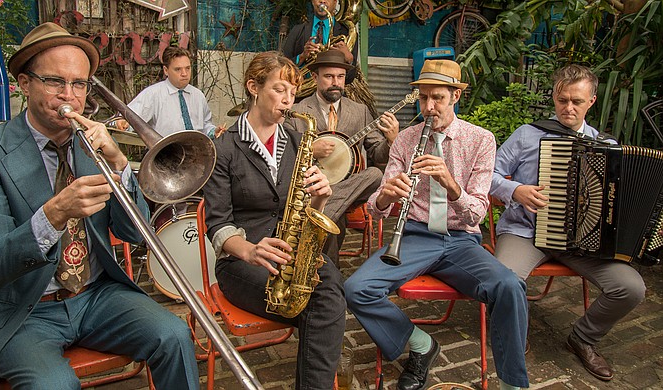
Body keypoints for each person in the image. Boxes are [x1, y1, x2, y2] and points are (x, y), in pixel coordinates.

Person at [0, 22, 199, 388]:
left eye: (79, 84)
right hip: (27, 311)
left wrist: (120, 165)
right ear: (25, 84)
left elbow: (135, 234)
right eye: (56, 82)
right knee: (54, 385)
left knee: (175, 335)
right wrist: (53, 215)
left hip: (96, 296)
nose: (69, 96)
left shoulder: (93, 144)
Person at [345, 59, 529, 390]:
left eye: (438, 98)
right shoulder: (405, 140)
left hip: (461, 240)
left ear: (455, 96)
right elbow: (375, 210)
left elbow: (476, 214)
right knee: (356, 289)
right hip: (414, 236)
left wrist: (450, 184)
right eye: (424, 98)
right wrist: (386, 195)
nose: (429, 107)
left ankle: (512, 383)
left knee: (509, 286)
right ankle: (420, 344)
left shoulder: (481, 140)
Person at [490, 64, 646, 382]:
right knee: (504, 280)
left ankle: (583, 338)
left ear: (592, 101)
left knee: (631, 288)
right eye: (562, 100)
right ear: (554, 97)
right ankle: (514, 336)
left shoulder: (608, 148)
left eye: (577, 100)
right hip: (525, 231)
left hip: (582, 242)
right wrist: (515, 190)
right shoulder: (527, 135)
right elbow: (487, 176)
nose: (568, 107)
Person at [202, 51, 346, 390]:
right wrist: (250, 251)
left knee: (330, 289)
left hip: (290, 252)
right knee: (325, 306)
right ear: (254, 87)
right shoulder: (223, 147)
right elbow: (218, 224)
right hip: (242, 261)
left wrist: (321, 196)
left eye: (293, 93)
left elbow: (304, 208)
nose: (288, 100)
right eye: (279, 89)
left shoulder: (298, 141)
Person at [284, 49, 398, 265]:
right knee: (336, 222)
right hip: (309, 188)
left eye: (340, 77)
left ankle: (322, 214)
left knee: (375, 173)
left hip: (349, 185)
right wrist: (310, 148)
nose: (335, 82)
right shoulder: (298, 110)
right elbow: (283, 152)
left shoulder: (360, 111)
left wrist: (392, 140)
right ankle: (329, 277)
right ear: (315, 77)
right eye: (328, 76)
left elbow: (377, 153)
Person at [120, 46, 217, 138]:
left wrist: (213, 131)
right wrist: (121, 123)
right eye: (178, 69)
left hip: (196, 151)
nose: (184, 74)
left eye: (187, 68)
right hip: (164, 152)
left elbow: (205, 125)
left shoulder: (198, 95)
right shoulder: (153, 94)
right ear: (166, 70)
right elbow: (127, 118)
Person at [282, 0, 357, 80]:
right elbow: (282, 67)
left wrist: (349, 60)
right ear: (312, 1)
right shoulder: (297, 30)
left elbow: (350, 78)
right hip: (302, 89)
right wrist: (301, 57)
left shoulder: (347, 33)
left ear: (335, 2)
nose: (322, 1)